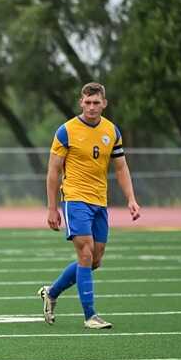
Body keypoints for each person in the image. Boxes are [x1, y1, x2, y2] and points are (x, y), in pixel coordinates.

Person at [38, 82, 141, 329]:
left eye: (97, 102)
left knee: (95, 260)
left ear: (104, 103)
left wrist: (131, 199)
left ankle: (51, 292)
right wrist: (52, 208)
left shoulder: (112, 131)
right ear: (80, 102)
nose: (92, 107)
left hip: (100, 201)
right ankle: (90, 315)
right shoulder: (66, 131)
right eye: (88, 102)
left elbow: (121, 167)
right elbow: (53, 171)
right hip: (75, 199)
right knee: (84, 253)